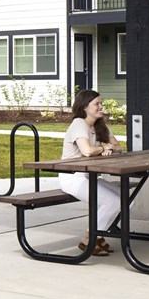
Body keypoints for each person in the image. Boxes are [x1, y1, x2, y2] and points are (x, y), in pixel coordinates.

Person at [60, 89, 122, 256]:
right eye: (97, 104)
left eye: (101, 103)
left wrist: (108, 149)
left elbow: (119, 147)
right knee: (112, 202)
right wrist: (103, 148)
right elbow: (87, 151)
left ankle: (98, 235)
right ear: (84, 107)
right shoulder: (79, 124)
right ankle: (88, 238)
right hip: (72, 178)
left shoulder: (100, 124)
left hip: (90, 176)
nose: (101, 107)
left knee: (126, 201)